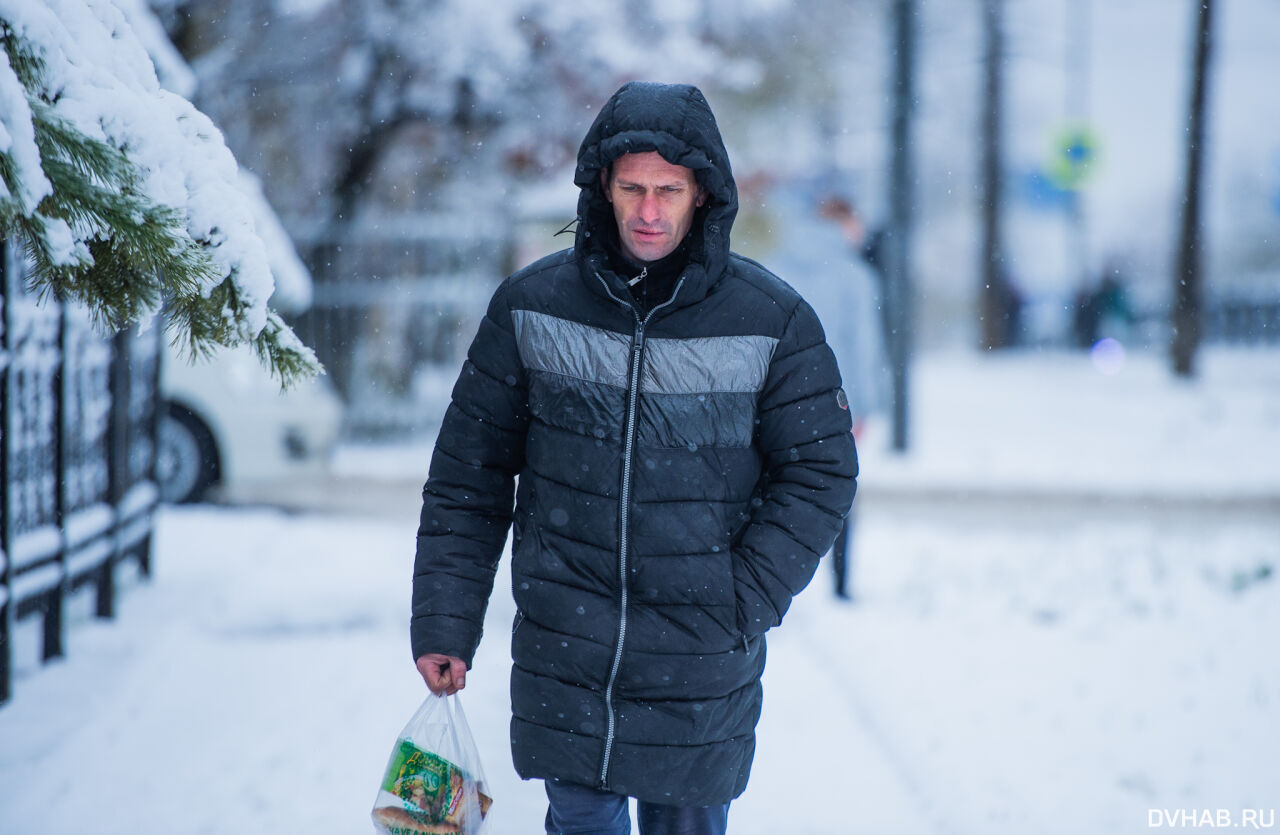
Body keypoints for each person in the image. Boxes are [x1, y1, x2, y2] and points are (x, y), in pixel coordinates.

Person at [410, 81, 859, 835]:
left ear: (703, 194)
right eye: (632, 188)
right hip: (568, 657)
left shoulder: (771, 320)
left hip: (699, 666)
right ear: (602, 188)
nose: (649, 211)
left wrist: (740, 597)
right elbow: (468, 479)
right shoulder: (531, 309)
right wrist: (445, 621)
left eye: (668, 190)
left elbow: (821, 472)